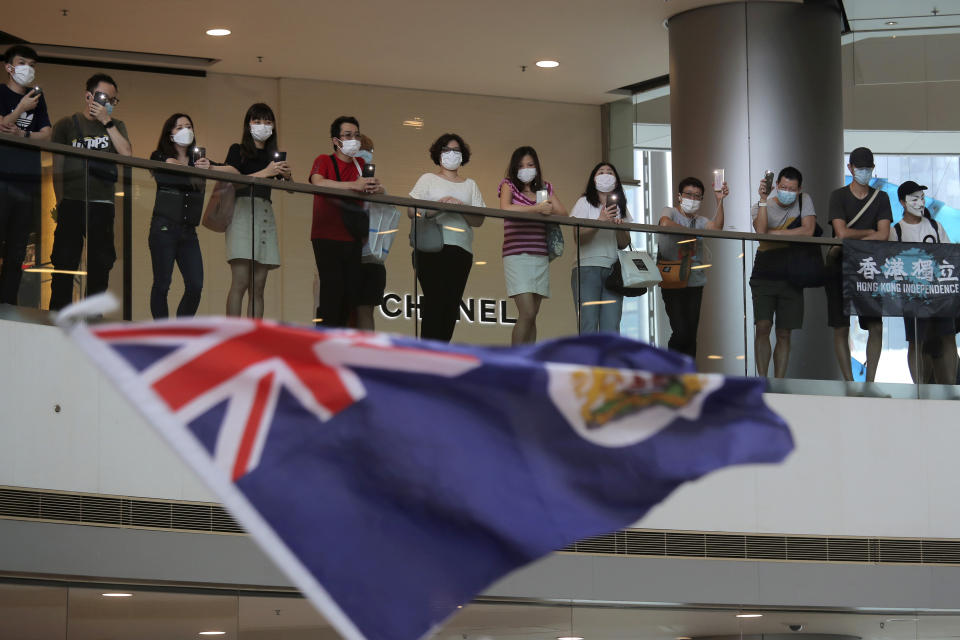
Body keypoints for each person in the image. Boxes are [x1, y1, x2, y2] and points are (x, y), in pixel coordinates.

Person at [49, 73, 132, 311]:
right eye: (103, 97)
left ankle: (93, 317)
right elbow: (58, 168)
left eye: (113, 100)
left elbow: (127, 155)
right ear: (88, 96)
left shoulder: (117, 126)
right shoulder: (66, 125)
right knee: (65, 261)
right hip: (72, 202)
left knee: (101, 264)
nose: (108, 103)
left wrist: (107, 122)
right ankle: (58, 316)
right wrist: (60, 202)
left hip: (103, 203)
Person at [408, 133, 485, 342]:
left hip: (461, 250)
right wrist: (437, 208)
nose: (451, 154)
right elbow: (411, 211)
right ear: (438, 154)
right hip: (431, 248)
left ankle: (441, 353)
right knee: (434, 302)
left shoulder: (471, 185)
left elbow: (479, 220)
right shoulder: (428, 179)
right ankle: (427, 356)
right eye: (446, 150)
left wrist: (460, 207)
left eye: (456, 151)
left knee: (451, 306)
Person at [308, 116, 383, 327]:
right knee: (331, 293)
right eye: (348, 135)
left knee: (349, 297)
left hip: (354, 236)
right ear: (336, 140)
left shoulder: (361, 165)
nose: (354, 140)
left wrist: (375, 188)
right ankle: (326, 342)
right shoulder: (324, 160)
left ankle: (340, 342)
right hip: (326, 235)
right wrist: (354, 185)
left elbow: (372, 189)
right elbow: (318, 183)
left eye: (356, 135)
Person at [826, 147, 892, 382]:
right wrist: (868, 232)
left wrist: (851, 238)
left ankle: (871, 381)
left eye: (868, 168)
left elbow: (884, 235)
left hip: (869, 268)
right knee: (840, 325)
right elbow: (841, 231)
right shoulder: (838, 195)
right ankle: (849, 382)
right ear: (850, 168)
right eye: (860, 168)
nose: (864, 172)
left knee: (876, 325)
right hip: (841, 266)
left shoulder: (881, 197)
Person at [223, 103, 291, 317]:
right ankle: (232, 336)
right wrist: (267, 171)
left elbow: (289, 190)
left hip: (264, 214)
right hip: (242, 211)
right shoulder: (238, 150)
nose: (263, 126)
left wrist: (287, 176)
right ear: (248, 124)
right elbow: (233, 180)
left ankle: (254, 336)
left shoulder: (274, 155)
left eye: (268, 122)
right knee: (240, 281)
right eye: (258, 121)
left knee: (258, 286)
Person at [890, 180, 959, 384]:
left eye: (922, 198)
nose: (920, 203)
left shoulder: (936, 227)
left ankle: (950, 385)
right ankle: (919, 385)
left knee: (947, 337)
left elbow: (950, 256)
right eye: (914, 199)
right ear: (903, 202)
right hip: (913, 298)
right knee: (916, 340)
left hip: (941, 295)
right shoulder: (897, 232)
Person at [750, 167, 816, 378]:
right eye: (784, 187)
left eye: (792, 188)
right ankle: (762, 379)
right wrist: (762, 198)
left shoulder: (805, 200)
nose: (787, 191)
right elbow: (760, 232)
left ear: (799, 189)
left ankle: (779, 382)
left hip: (793, 272)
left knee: (784, 332)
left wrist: (775, 233)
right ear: (776, 185)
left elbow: (808, 230)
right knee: (762, 325)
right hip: (764, 271)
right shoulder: (763, 205)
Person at [498, 146, 567, 345]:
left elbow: (564, 213)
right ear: (514, 168)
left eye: (530, 164)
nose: (526, 169)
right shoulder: (508, 184)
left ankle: (530, 359)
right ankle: (517, 361)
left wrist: (547, 207)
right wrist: (536, 209)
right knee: (526, 312)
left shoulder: (544, 189)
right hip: (516, 254)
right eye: (521, 165)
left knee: (533, 314)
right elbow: (505, 208)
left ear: (536, 166)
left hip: (540, 255)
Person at [148, 113, 214, 318]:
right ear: (170, 134)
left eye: (188, 126)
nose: (185, 130)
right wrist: (196, 169)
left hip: (189, 232)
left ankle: (180, 326)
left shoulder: (200, 161)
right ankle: (162, 331)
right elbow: (168, 165)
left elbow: (229, 170)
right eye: (179, 127)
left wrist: (209, 167)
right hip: (163, 228)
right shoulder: (159, 156)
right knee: (162, 283)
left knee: (195, 285)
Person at [0, 45, 51, 306]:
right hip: (2, 179)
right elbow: (2, 124)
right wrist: (21, 107)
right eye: (22, 63)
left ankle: (7, 304)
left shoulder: (38, 99)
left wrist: (23, 134)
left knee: (17, 250)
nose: (28, 69)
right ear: (9, 66)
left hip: (28, 182)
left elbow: (46, 133)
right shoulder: (2, 93)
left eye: (32, 64)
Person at [657, 176, 728, 358]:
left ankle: (688, 378)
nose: (693, 199)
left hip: (695, 281)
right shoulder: (671, 211)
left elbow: (717, 228)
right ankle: (671, 370)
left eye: (698, 196)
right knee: (680, 331)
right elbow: (664, 223)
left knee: (691, 334)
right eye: (689, 194)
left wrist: (719, 201)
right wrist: (691, 234)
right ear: (680, 196)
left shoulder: (701, 220)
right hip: (672, 279)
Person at [569, 163, 631, 334]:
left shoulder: (620, 206)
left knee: (611, 326)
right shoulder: (584, 202)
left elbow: (624, 243)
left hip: (613, 270)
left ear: (616, 181)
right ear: (593, 179)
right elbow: (578, 236)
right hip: (586, 267)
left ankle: (607, 361)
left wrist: (617, 226)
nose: (605, 175)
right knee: (587, 324)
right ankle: (587, 361)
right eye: (601, 172)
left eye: (610, 172)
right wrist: (600, 220)